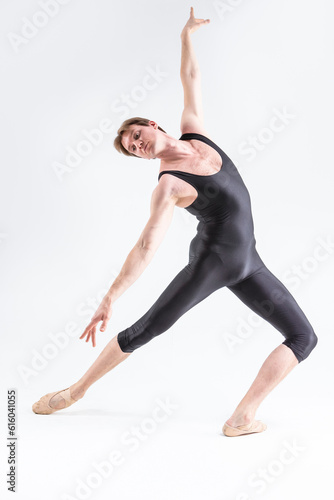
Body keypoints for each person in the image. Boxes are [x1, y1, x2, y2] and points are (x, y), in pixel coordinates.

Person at [32, 7, 318, 437]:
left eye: (135, 137)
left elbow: (191, 79)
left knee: (304, 338)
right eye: (132, 149)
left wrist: (186, 36)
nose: (137, 146)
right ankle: (76, 391)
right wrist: (110, 296)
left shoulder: (194, 132)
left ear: (150, 124)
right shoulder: (167, 185)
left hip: (248, 262)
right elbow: (147, 245)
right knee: (150, 327)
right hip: (212, 261)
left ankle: (242, 418)